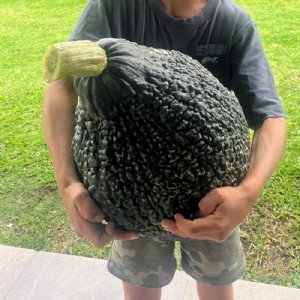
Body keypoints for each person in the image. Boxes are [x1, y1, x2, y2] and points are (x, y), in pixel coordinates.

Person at [43, 0, 287, 299]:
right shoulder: (113, 7)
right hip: (128, 188)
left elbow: (271, 117)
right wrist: (67, 183)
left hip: (212, 202)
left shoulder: (232, 21)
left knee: (216, 286)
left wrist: (248, 192)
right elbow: (62, 82)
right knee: (141, 287)